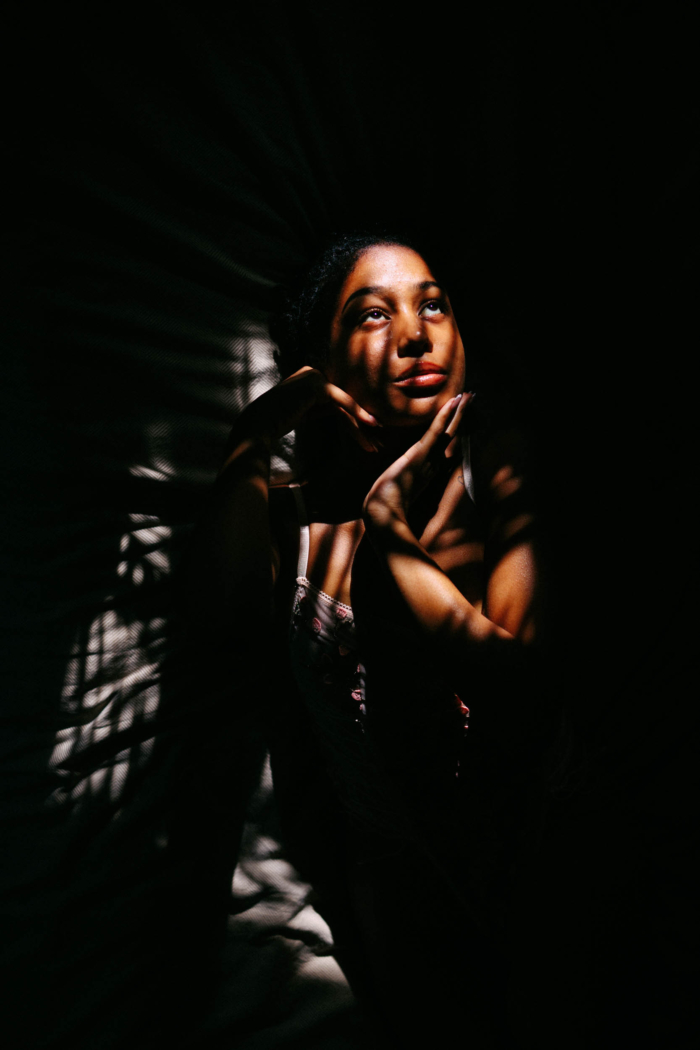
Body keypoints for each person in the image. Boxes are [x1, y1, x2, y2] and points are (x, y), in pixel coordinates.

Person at [189, 232, 539, 1045]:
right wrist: (252, 439)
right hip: (396, 883)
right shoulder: (295, 521)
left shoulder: (502, 474)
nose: (416, 334)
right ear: (321, 366)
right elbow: (215, 630)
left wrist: (390, 530)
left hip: (545, 854)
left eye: (433, 304)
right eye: (373, 315)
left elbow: (518, 695)